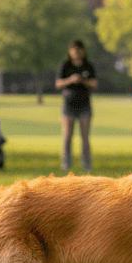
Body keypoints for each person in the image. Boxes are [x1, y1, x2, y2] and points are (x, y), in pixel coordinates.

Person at [56, 39, 98, 171]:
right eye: (74, 50)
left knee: (85, 137)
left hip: (84, 105)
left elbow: (94, 84)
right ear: (70, 51)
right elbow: (58, 84)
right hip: (69, 105)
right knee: (67, 136)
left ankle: (86, 163)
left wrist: (82, 80)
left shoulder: (88, 66)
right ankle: (66, 162)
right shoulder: (65, 66)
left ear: (83, 51)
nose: (77, 53)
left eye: (79, 50)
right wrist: (70, 80)